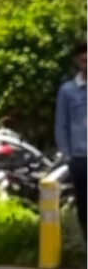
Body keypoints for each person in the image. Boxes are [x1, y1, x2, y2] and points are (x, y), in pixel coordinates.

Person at [55, 40, 87, 239]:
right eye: (83, 59)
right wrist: (67, 156)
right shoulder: (68, 91)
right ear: (77, 61)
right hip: (80, 158)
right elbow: (61, 124)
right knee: (84, 207)